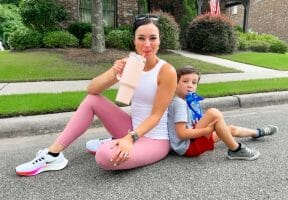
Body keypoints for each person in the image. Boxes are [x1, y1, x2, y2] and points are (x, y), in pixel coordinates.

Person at [15, 14, 177, 176]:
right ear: (134, 41)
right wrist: (114, 72)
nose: (147, 44)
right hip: (132, 128)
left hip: (155, 139)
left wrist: (129, 138)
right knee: (92, 100)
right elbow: (92, 90)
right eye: (141, 38)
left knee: (104, 156)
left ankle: (115, 142)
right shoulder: (133, 64)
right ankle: (53, 154)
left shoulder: (166, 71)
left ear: (159, 40)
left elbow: (156, 116)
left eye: (152, 38)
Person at [168, 66, 278, 160]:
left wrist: (207, 129)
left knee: (230, 129)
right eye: (185, 81)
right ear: (175, 83)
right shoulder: (179, 103)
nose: (190, 85)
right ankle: (236, 149)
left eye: (194, 82)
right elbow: (182, 134)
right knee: (213, 113)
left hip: (192, 140)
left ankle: (258, 132)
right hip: (187, 146)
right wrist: (206, 130)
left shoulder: (189, 102)